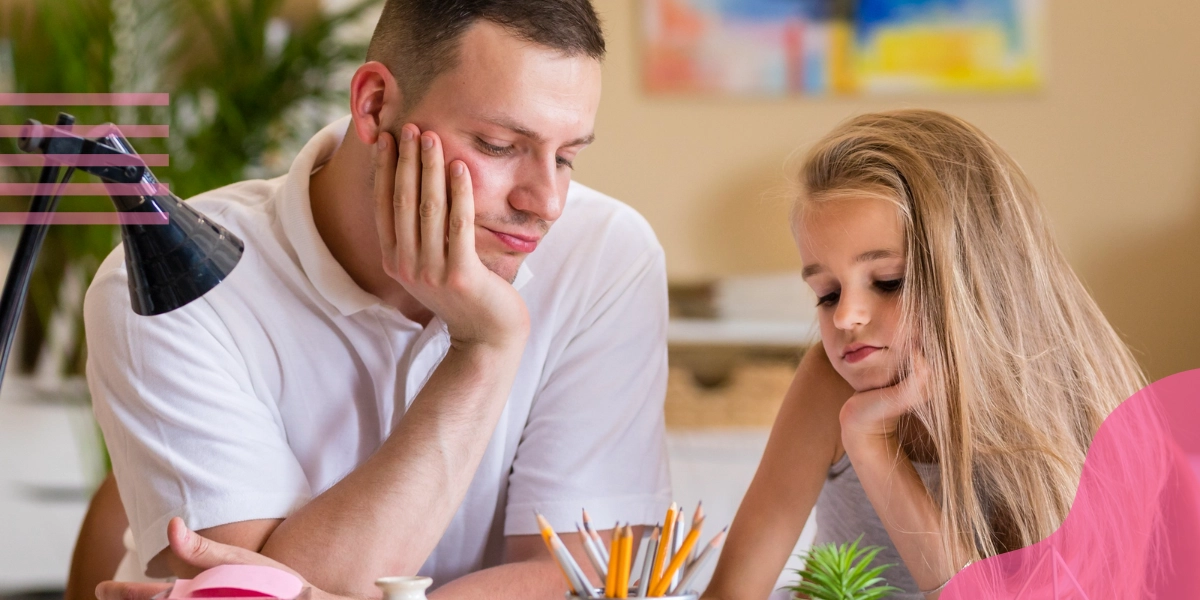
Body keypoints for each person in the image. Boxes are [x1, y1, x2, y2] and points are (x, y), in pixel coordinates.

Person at [83, 1, 672, 598]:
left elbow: (582, 575)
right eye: (498, 145)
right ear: (374, 105)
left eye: (567, 156)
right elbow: (251, 591)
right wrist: (486, 349)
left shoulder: (604, 255)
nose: (545, 201)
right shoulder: (170, 280)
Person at [701, 110, 1159, 599]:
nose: (845, 317)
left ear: (980, 278)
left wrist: (874, 448)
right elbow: (732, 593)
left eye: (888, 282)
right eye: (828, 292)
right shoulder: (827, 385)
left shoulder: (1085, 411)